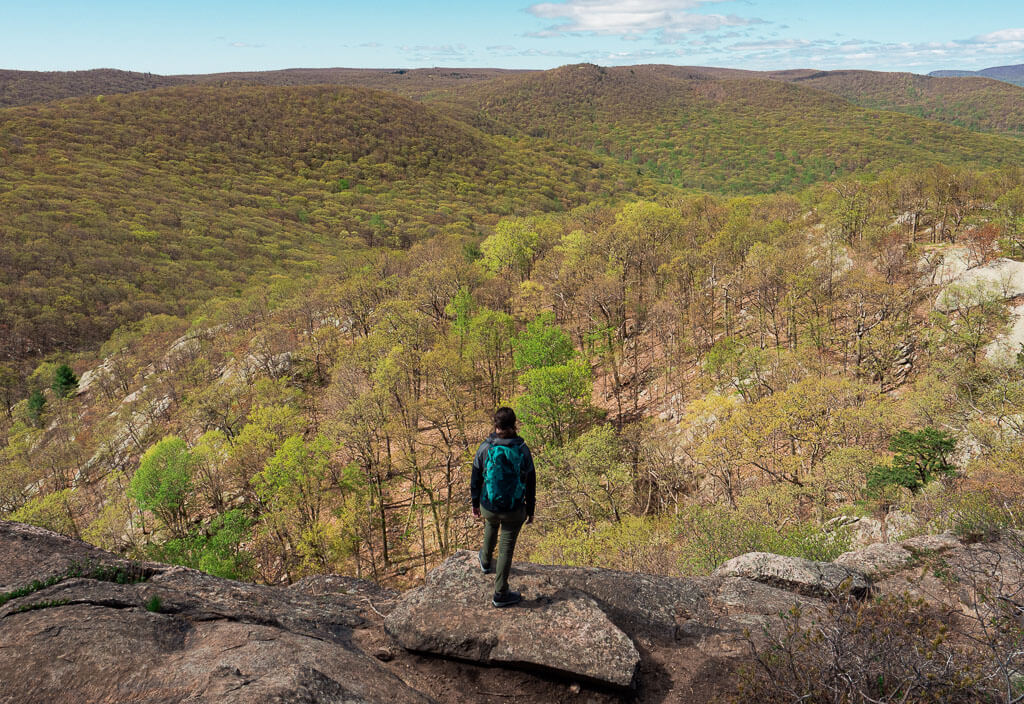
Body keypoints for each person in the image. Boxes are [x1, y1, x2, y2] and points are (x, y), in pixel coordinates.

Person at [471, 407, 536, 607]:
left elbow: (475, 478)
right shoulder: (522, 450)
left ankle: (484, 560)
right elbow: (531, 482)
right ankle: (500, 593)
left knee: (491, 524)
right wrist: (530, 509)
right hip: (514, 510)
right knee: (506, 548)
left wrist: (475, 504)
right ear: (514, 425)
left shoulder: (485, 448)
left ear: (495, 425)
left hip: (488, 506)